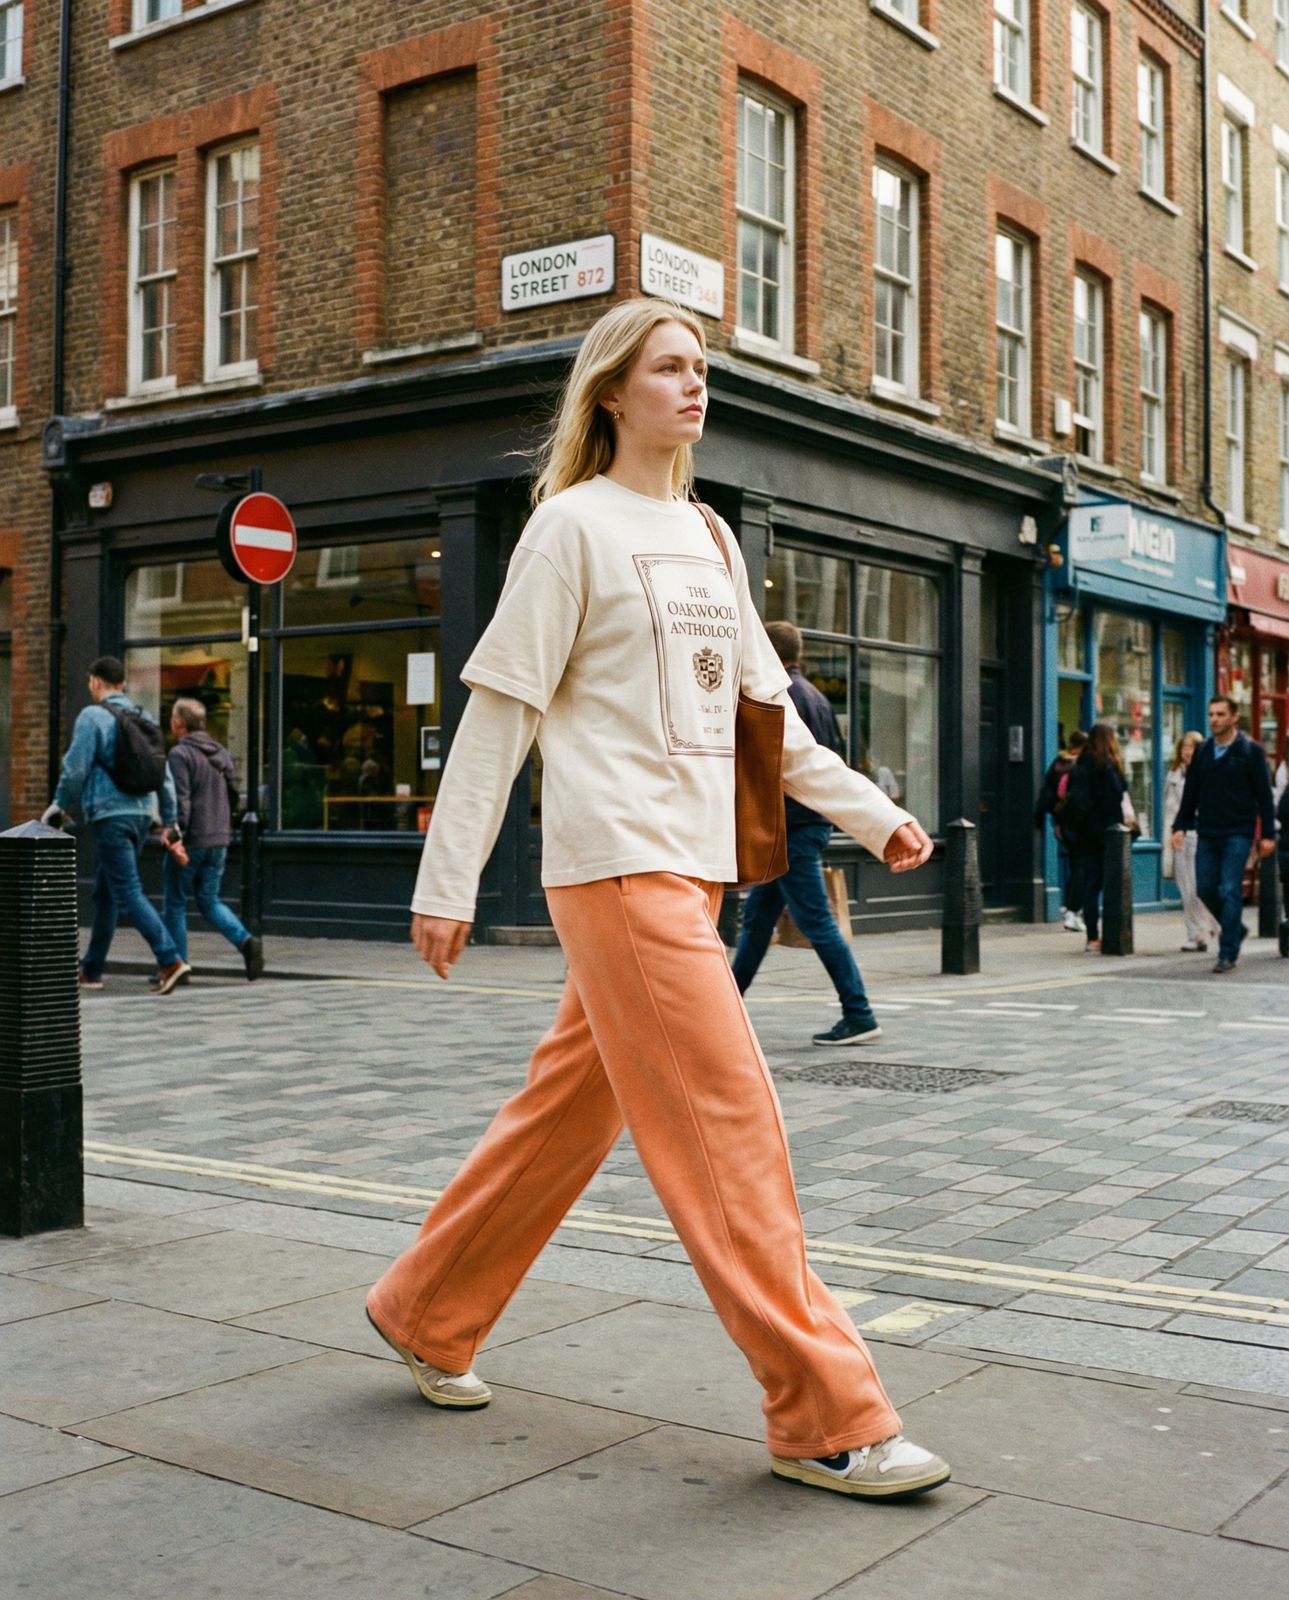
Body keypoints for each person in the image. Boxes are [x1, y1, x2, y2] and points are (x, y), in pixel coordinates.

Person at [364, 299, 950, 1502]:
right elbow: (502, 708)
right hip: (616, 869)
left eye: (700, 369)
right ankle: (821, 1413)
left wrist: (868, 811)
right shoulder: (569, 528)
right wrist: (447, 880)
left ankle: (426, 1307)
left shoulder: (710, 536)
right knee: (729, 1129)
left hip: (691, 868)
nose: (694, 386)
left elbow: (763, 716)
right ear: (611, 393)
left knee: (564, 1118)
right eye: (669, 368)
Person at [730, 621, 883, 1046]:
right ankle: (725, 1009)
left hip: (792, 828)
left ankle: (859, 1013)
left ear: (769, 652)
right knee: (756, 924)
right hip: (799, 826)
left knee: (817, 922)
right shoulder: (816, 696)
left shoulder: (785, 697)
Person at [42, 656, 190, 995]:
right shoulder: (144, 718)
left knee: (127, 890)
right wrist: (169, 821)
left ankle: (170, 959)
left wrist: (59, 805)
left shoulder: (92, 716)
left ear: (95, 682)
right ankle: (92, 970)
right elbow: (164, 776)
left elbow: (76, 768)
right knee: (106, 892)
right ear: (122, 684)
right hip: (141, 816)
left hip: (110, 815)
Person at [1172, 695, 1277, 973]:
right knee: (1205, 888)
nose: (1214, 720)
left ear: (1234, 717)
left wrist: (1268, 833)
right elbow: (1191, 791)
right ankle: (1236, 928)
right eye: (1211, 714)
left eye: (1220, 714)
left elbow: (1264, 796)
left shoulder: (1250, 751)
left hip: (1238, 831)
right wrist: (1180, 825)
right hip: (1207, 830)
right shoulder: (1203, 751)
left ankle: (1227, 952)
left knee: (1230, 889)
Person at [162, 697, 263, 981]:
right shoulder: (221, 753)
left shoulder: (180, 755)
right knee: (208, 900)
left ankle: (177, 965)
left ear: (178, 723)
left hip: (192, 839)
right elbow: (233, 797)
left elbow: (181, 800)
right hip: (219, 838)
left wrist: (176, 834)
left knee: (175, 903)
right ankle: (246, 941)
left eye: (172, 718)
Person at [1061, 720, 1127, 954]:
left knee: (1091, 885)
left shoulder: (1080, 765)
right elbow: (1118, 792)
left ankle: (1092, 938)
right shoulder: (1107, 766)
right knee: (1112, 885)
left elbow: (1073, 799)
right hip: (1109, 834)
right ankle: (1113, 935)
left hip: (1086, 834)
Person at [1162, 729, 1218, 953]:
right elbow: (1169, 807)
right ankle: (1197, 934)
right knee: (1186, 887)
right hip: (1179, 836)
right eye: (1184, 747)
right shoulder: (1174, 774)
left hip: (1198, 834)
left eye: (1192, 747)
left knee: (1198, 887)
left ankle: (1210, 926)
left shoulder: (1206, 774)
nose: (1187, 752)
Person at [1036, 728, 1087, 931]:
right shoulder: (1079, 766)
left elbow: (1047, 793)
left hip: (1061, 824)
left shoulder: (1058, 763)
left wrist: (1044, 819)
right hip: (1079, 824)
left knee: (1076, 865)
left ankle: (1071, 907)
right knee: (1082, 867)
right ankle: (1073, 910)